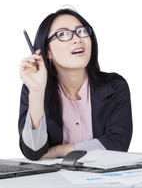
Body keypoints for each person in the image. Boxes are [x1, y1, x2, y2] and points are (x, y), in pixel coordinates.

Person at [18, 8, 132, 161]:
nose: (77, 39)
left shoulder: (115, 86)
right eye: (63, 34)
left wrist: (59, 150)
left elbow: (118, 144)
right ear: (47, 52)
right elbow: (33, 151)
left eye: (82, 32)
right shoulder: (33, 88)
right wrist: (37, 92)